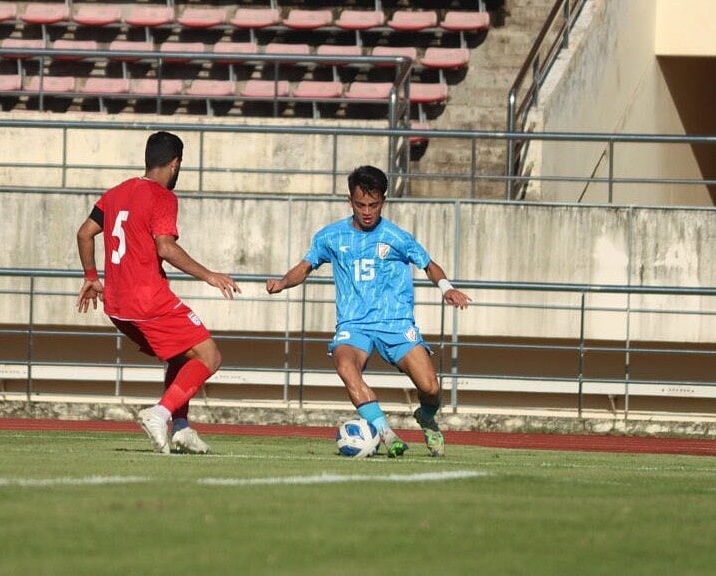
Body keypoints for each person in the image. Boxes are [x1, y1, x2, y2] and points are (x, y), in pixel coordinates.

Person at [266, 165, 471, 457]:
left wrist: (447, 288)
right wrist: (283, 282)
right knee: (345, 366)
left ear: (383, 202)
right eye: (360, 204)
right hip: (354, 324)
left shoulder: (396, 237)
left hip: (396, 323)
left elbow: (428, 264)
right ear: (350, 201)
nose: (367, 211)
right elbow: (305, 267)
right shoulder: (331, 237)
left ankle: (426, 416)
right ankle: (386, 434)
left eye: (373, 205)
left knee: (431, 388)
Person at [76, 131, 241, 454]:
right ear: (176, 164)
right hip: (147, 300)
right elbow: (165, 247)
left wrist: (92, 276)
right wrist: (209, 275)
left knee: (184, 355)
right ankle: (160, 414)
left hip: (117, 305)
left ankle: (180, 428)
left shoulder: (116, 193)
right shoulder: (162, 196)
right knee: (210, 356)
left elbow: (84, 234)